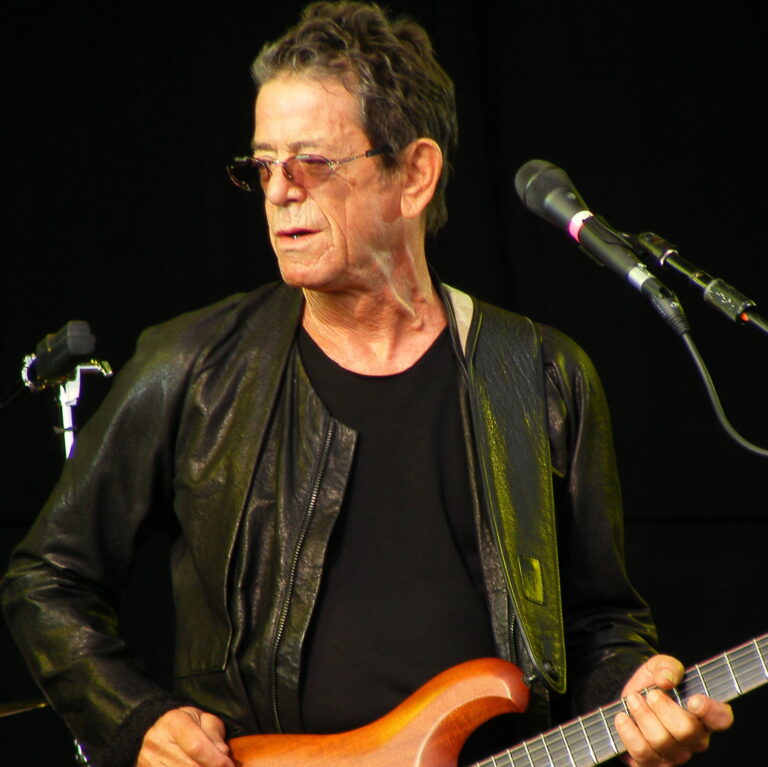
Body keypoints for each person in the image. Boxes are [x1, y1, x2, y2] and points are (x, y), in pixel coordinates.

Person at [1, 3, 733, 766]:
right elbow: (46, 576)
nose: (278, 191)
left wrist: (634, 694)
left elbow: (600, 625)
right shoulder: (192, 365)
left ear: (414, 175)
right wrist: (138, 717)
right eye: (262, 165)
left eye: (311, 162)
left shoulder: (543, 375)